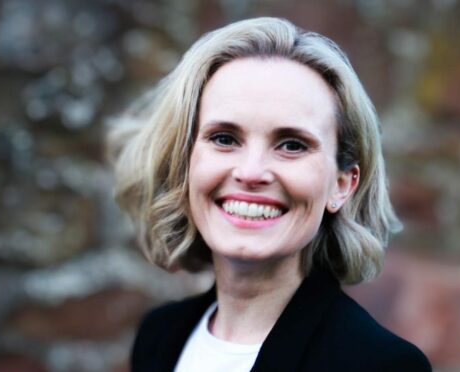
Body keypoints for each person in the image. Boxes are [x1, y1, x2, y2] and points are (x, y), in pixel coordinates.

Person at [109, 17, 431, 372]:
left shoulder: (379, 365)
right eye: (224, 139)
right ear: (186, 162)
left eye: (292, 145)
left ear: (342, 184)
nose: (250, 173)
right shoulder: (159, 336)